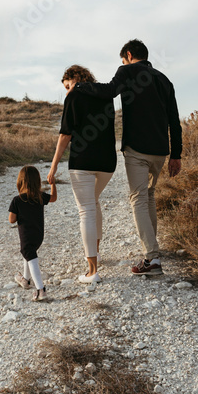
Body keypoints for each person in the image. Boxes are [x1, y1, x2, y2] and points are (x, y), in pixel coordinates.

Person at [76, 39, 182, 276]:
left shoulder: (127, 70)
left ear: (129, 55)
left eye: (122, 59)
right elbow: (174, 122)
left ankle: (152, 259)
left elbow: (108, 91)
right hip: (161, 151)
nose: (122, 63)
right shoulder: (165, 80)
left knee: (138, 199)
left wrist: (81, 87)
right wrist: (177, 154)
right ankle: (152, 253)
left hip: (137, 149)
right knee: (149, 197)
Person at [46, 65, 116, 284]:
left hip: (83, 160)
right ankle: (96, 252)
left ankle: (92, 271)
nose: (67, 91)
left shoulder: (74, 96)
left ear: (73, 79)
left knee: (86, 210)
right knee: (93, 203)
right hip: (107, 161)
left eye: (67, 86)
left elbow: (65, 134)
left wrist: (54, 165)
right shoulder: (106, 93)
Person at [7, 165, 56, 301]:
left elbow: (11, 220)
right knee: (27, 254)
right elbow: (53, 198)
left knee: (30, 256)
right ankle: (26, 280)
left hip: (26, 235)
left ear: (20, 182)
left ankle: (41, 290)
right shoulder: (40, 197)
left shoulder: (17, 200)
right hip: (39, 235)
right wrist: (53, 184)